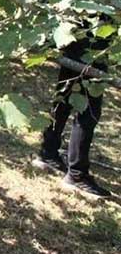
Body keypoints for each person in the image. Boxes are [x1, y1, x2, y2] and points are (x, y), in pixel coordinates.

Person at [32, 38, 113, 199]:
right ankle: (77, 175)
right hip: (92, 49)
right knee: (88, 112)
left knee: (63, 98)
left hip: (74, 42)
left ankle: (48, 152)